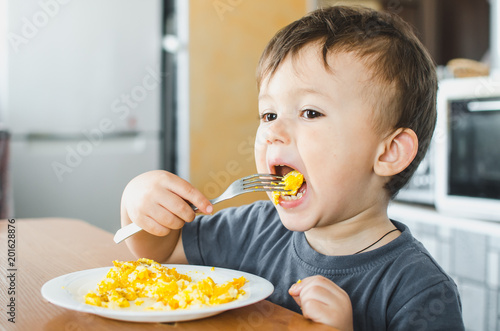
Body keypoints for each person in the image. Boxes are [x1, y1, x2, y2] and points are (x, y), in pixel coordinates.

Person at [120, 5, 464, 330]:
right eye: (269, 115)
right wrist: (139, 200)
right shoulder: (254, 229)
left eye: (310, 112)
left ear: (389, 152)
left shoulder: (421, 291)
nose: (272, 132)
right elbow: (162, 252)